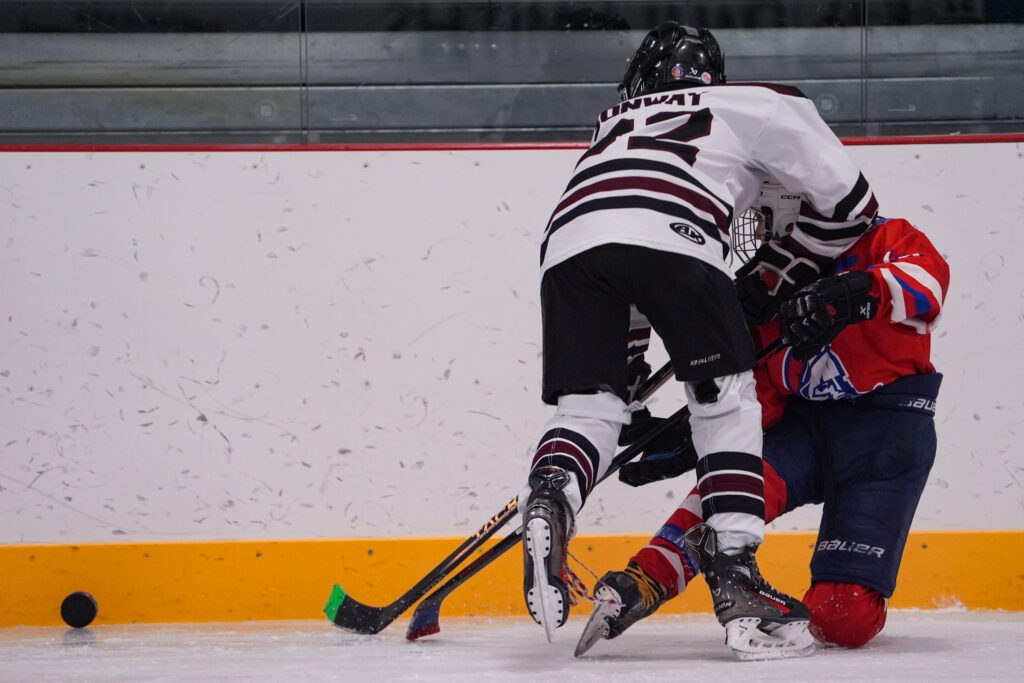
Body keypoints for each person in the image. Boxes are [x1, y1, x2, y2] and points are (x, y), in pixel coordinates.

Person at [518, 21, 878, 660]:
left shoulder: (613, 123)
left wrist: (627, 389)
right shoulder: (761, 102)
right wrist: (778, 272)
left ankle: (552, 494)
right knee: (726, 402)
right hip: (677, 234)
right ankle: (737, 580)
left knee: (592, 409)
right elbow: (854, 209)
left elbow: (620, 233)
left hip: (569, 244)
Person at [574, 184, 950, 657]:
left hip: (885, 435)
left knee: (843, 619)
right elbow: (760, 391)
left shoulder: (884, 237)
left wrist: (855, 291)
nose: (758, 231)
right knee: (732, 482)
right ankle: (643, 581)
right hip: (802, 427)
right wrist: (693, 436)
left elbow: (930, 285)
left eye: (765, 217)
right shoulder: (763, 284)